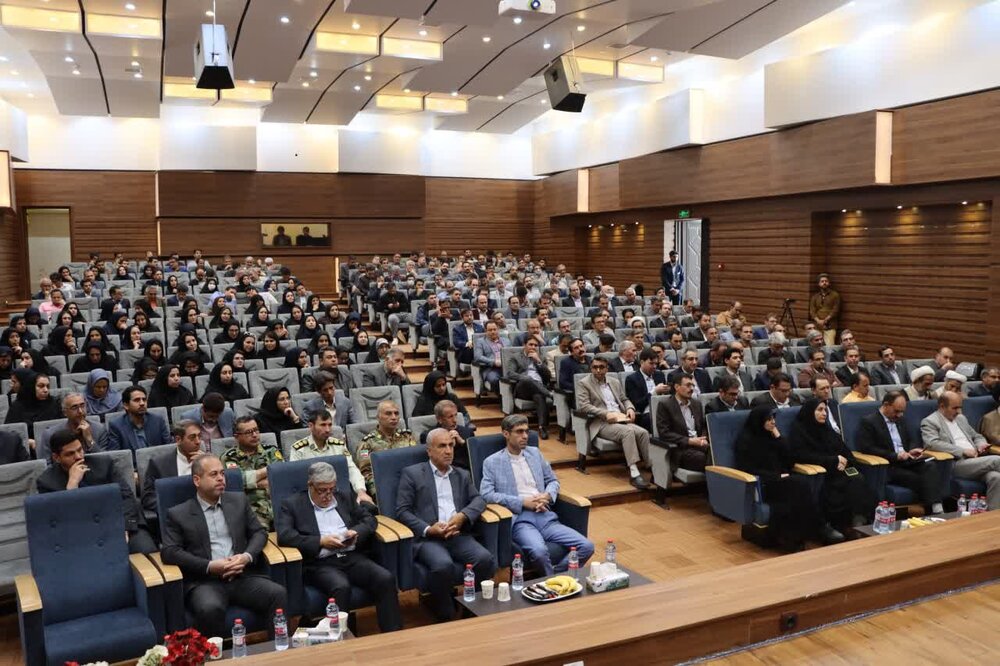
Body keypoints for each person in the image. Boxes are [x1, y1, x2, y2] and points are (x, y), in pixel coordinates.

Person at [161, 454, 287, 639]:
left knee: (277, 594)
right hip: (206, 581)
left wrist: (246, 557)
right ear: (197, 480)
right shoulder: (179, 513)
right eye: (214, 474)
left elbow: (259, 533)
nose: (221, 478)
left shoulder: (238, 501)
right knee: (209, 608)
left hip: (242, 575)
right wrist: (210, 566)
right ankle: (214, 654)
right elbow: (170, 552)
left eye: (222, 473)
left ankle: (279, 650)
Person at [276, 462, 402, 632]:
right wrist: (320, 541)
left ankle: (393, 633)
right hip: (321, 563)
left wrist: (355, 532)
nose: (328, 495)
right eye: (322, 490)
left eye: (331, 489)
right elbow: (284, 535)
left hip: (351, 557)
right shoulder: (292, 505)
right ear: (310, 485)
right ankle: (340, 639)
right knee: (341, 587)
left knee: (385, 578)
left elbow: (370, 520)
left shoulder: (344, 497)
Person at [395, 428, 497, 622]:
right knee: (443, 565)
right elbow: (402, 511)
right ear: (429, 451)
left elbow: (479, 500)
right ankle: (445, 615)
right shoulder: (412, 474)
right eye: (442, 446)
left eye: (451, 445)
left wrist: (463, 516)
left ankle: (473, 609)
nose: (448, 451)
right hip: (429, 538)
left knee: (484, 559)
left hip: (457, 534)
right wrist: (428, 529)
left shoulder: (461, 474)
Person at [481, 414, 594, 574]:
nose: (525, 436)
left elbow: (553, 481)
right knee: (539, 552)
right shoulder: (492, 462)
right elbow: (486, 494)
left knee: (587, 546)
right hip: (520, 519)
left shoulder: (535, 453)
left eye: (526, 431)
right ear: (506, 434)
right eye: (519, 432)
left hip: (545, 515)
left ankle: (558, 577)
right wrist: (522, 502)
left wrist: (547, 495)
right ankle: (552, 582)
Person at [38, 428, 156, 554]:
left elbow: (126, 497)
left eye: (80, 450)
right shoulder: (46, 482)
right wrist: (72, 487)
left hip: (119, 523)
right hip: (79, 535)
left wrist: (125, 528)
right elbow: (57, 521)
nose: (78, 457)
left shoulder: (104, 464)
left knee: (147, 551)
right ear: (56, 457)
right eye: (70, 454)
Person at [735, 406, 828, 550]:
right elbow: (747, 468)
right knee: (800, 484)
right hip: (764, 484)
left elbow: (790, 460)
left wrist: (778, 437)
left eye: (774, 419)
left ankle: (800, 535)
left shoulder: (772, 437)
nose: (773, 422)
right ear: (759, 421)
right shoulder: (746, 440)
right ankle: (814, 529)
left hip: (782, 481)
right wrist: (776, 476)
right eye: (769, 419)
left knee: (799, 489)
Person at [790, 399, 874, 536]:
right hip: (820, 474)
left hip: (838, 471)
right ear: (810, 412)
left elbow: (845, 451)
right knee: (847, 483)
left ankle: (858, 522)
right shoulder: (799, 430)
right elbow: (801, 456)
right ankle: (842, 525)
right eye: (819, 410)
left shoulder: (827, 429)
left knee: (857, 478)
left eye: (825, 410)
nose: (824, 413)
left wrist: (845, 461)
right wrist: (833, 460)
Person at [855, 392, 944, 515]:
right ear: (886, 405)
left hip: (907, 460)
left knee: (931, 466)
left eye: (902, 411)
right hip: (889, 465)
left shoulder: (900, 419)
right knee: (919, 478)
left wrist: (912, 450)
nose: (900, 415)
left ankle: (935, 507)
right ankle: (933, 510)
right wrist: (895, 455)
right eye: (897, 411)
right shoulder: (869, 422)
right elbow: (868, 448)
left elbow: (910, 440)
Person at [578, 356, 652, 489]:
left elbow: (624, 399)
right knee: (628, 432)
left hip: (621, 419)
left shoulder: (614, 382)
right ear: (591, 368)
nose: (598, 370)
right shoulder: (584, 383)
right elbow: (584, 406)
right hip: (602, 422)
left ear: (607, 368)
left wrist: (630, 408)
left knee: (643, 433)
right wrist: (605, 414)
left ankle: (651, 467)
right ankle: (634, 473)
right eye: (595, 367)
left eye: (601, 367)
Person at [921, 391, 1000, 510]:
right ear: (942, 406)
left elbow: (976, 436)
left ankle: (993, 516)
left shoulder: (961, 418)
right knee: (997, 460)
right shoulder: (930, 421)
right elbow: (932, 443)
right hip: (956, 463)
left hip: (977, 461)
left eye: (960, 407)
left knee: (996, 477)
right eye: (955, 408)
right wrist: (962, 451)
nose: (958, 411)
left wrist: (981, 444)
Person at [290, 405, 372, 504]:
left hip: (338, 494)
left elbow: (351, 469)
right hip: (312, 497)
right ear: (311, 426)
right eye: (323, 425)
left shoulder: (339, 445)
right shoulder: (299, 449)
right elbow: (297, 479)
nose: (327, 429)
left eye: (329, 425)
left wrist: (361, 491)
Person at [221, 416, 284, 529]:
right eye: (249, 432)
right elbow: (236, 482)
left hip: (278, 505)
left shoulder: (271, 450)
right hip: (251, 510)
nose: (254, 435)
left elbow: (281, 475)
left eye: (256, 430)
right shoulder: (229, 457)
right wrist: (267, 471)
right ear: (237, 437)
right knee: (260, 535)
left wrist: (251, 481)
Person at [142, 420, 204, 515]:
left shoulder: (208, 462)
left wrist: (205, 464)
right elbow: (148, 497)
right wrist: (173, 510)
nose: (198, 442)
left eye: (199, 436)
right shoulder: (159, 464)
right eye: (192, 438)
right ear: (178, 440)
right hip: (175, 515)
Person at [355, 401, 416, 498]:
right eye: (388, 413)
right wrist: (378, 493)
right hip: (384, 488)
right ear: (378, 417)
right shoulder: (367, 443)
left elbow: (415, 463)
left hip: (410, 485)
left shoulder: (407, 437)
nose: (394, 417)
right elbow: (366, 472)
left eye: (396, 413)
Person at [505, 338, 554, 439]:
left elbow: (548, 376)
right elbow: (510, 373)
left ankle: (542, 427)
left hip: (538, 389)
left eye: (535, 345)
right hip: (523, 389)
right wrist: (524, 377)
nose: (533, 347)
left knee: (539, 396)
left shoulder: (541, 357)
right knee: (528, 379)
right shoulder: (515, 357)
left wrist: (538, 361)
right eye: (530, 344)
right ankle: (549, 394)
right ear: (524, 345)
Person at [107, 386, 172, 453]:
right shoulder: (116, 426)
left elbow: (170, 448)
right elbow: (115, 455)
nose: (142, 403)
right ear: (126, 405)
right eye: (137, 400)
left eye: (144, 399)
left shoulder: (158, 421)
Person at [5, 371, 61, 440]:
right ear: (31, 387)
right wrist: (27, 441)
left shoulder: (54, 403)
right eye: (41, 386)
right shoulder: (17, 407)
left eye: (48, 386)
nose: (46, 390)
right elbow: (9, 434)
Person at [624, 347, 669, 432]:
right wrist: (654, 392)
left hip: (662, 410)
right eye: (651, 363)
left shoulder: (660, 375)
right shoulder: (632, 379)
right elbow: (637, 405)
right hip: (644, 413)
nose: (654, 366)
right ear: (642, 362)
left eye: (656, 364)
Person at [473, 321, 508, 394]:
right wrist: (494, 362)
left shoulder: (506, 341)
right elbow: (478, 357)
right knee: (495, 380)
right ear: (485, 331)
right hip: (491, 369)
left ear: (498, 329)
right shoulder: (480, 342)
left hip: (507, 368)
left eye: (494, 329)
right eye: (490, 330)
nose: (493, 332)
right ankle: (501, 398)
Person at [808, 273, 841, 346]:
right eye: (822, 281)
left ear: (829, 283)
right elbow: (812, 311)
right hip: (817, 326)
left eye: (826, 281)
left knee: (829, 346)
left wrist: (825, 320)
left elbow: (835, 310)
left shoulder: (835, 295)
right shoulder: (815, 297)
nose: (824, 283)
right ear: (819, 284)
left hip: (830, 326)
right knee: (817, 346)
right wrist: (818, 321)